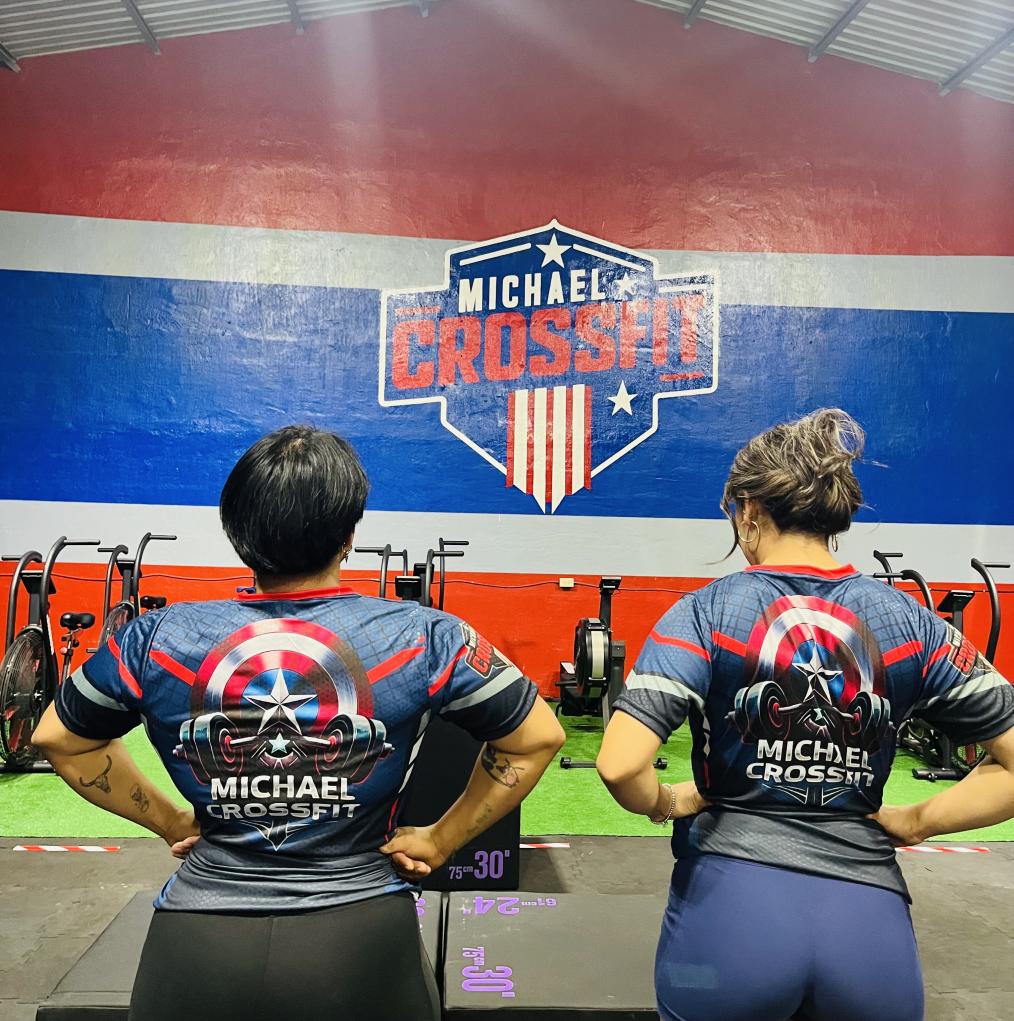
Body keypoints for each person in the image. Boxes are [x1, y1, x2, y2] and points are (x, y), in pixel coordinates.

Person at [33, 424, 565, 1021]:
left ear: (238, 532)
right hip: (361, 942)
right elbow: (536, 738)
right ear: (349, 536)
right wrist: (441, 840)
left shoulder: (152, 639)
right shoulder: (425, 636)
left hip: (196, 949)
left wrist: (171, 820)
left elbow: (60, 738)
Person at [596, 408, 1014, 1021]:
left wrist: (665, 802)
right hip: (869, 931)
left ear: (749, 511)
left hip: (730, 921)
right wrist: (919, 819)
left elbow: (618, 764)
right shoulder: (912, 621)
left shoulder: (705, 612)